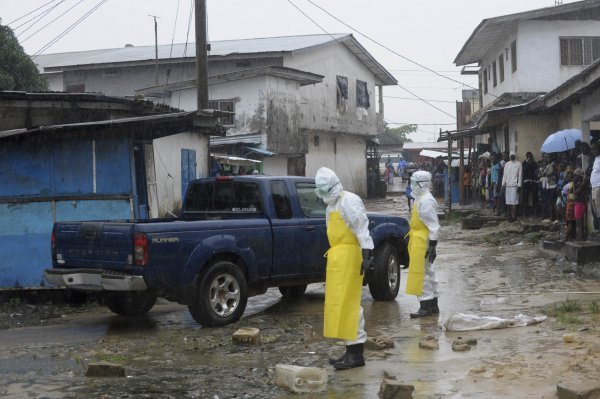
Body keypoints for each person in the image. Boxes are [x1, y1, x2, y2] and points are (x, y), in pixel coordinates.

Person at [314, 167, 373, 370]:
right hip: (337, 258)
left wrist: (367, 255)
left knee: (350, 304)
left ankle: (357, 353)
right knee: (338, 303)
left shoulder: (349, 200)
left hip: (350, 256)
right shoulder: (333, 205)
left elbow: (361, 228)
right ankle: (349, 350)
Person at [406, 170, 441, 318]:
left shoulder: (426, 200)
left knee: (422, 272)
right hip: (420, 237)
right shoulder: (421, 198)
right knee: (429, 270)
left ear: (422, 184)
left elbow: (433, 225)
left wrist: (432, 246)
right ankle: (433, 305)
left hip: (423, 239)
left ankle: (425, 305)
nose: (412, 185)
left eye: (414, 183)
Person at [501, 151, 523, 222]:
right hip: (508, 185)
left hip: (514, 185)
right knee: (509, 202)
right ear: (509, 156)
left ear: (515, 156)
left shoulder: (519, 164)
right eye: (511, 156)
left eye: (513, 155)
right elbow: (505, 175)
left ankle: (514, 217)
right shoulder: (507, 164)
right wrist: (503, 184)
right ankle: (510, 216)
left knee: (514, 202)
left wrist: (519, 185)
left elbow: (520, 175)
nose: (512, 157)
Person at [522, 152, 539, 217]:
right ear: (526, 157)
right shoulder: (524, 163)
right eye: (528, 157)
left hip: (533, 182)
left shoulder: (534, 163)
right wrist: (527, 163)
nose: (529, 158)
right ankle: (525, 212)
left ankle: (535, 212)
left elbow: (535, 172)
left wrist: (531, 164)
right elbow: (524, 171)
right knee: (525, 198)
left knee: (535, 197)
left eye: (530, 156)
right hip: (526, 182)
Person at [589, 142, 600, 236]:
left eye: (595, 149)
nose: (593, 151)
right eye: (592, 149)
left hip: (599, 187)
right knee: (595, 209)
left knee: (599, 208)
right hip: (593, 187)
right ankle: (597, 229)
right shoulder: (596, 159)